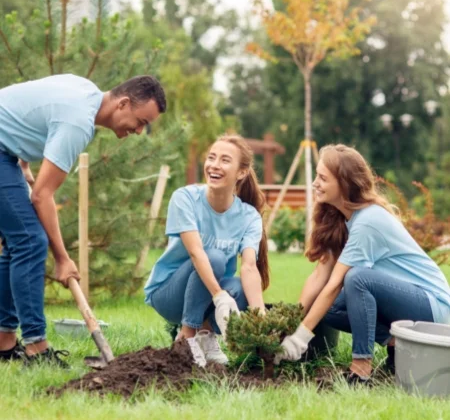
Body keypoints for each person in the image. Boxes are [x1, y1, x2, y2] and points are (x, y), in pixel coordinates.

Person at [0, 74, 166, 367]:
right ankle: (36, 349)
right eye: (140, 121)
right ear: (123, 103)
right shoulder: (78, 122)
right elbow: (42, 196)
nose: (139, 131)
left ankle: (4, 343)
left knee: (18, 243)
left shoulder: (86, 91)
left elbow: (29, 107)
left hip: (7, 152)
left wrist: (24, 160)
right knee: (30, 240)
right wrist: (63, 260)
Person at [275, 144, 450, 383]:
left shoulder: (368, 221)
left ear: (344, 185)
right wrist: (287, 325)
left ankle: (361, 366)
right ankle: (397, 343)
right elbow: (320, 277)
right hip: (406, 304)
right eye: (316, 175)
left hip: (432, 306)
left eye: (323, 178)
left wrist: (300, 339)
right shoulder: (342, 219)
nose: (315, 183)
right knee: (329, 307)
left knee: (357, 278)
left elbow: (335, 284)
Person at [144, 134, 269, 366]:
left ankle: (206, 334)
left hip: (206, 294)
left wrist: (260, 319)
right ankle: (186, 337)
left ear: (241, 172)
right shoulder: (185, 198)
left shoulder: (249, 216)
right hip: (169, 293)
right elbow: (196, 253)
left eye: (224, 160)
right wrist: (219, 296)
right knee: (214, 257)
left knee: (241, 289)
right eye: (211, 158)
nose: (214, 165)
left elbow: (249, 267)